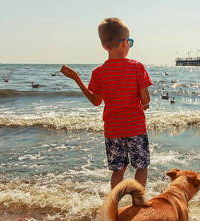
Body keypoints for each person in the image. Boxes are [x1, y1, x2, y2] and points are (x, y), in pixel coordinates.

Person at [60, 17, 152, 190]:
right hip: (136, 128)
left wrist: (77, 78)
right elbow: (145, 99)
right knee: (141, 167)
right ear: (125, 43)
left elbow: (96, 101)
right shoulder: (137, 67)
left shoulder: (99, 72)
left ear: (104, 46)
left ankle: (114, 206)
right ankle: (138, 204)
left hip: (113, 130)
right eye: (130, 42)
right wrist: (144, 102)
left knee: (118, 170)